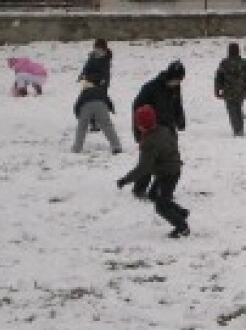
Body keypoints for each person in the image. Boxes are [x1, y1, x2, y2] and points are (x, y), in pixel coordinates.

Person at [116, 106, 189, 238]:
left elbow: (143, 168)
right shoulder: (164, 130)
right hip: (171, 169)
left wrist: (125, 180)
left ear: (140, 125)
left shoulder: (150, 142)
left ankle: (182, 227)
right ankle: (181, 212)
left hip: (168, 174)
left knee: (161, 206)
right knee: (153, 195)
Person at [129, 61, 186, 199]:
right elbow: (137, 108)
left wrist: (180, 120)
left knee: (168, 160)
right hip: (151, 130)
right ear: (169, 76)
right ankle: (139, 189)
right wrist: (138, 131)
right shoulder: (150, 88)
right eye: (176, 79)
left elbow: (177, 104)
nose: (178, 82)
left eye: (180, 80)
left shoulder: (176, 87)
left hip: (169, 129)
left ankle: (160, 188)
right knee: (148, 161)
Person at [72, 73, 122, 154]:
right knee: (107, 126)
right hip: (101, 104)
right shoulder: (100, 90)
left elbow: (78, 104)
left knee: (82, 127)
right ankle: (116, 146)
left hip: (86, 105)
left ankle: (77, 148)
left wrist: (78, 115)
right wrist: (112, 109)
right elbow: (107, 100)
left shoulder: (84, 92)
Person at [215, 42, 246, 137]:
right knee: (238, 109)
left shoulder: (224, 63)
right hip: (241, 91)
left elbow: (219, 77)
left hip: (228, 91)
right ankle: (240, 128)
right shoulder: (244, 63)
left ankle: (237, 129)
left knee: (232, 111)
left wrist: (217, 90)